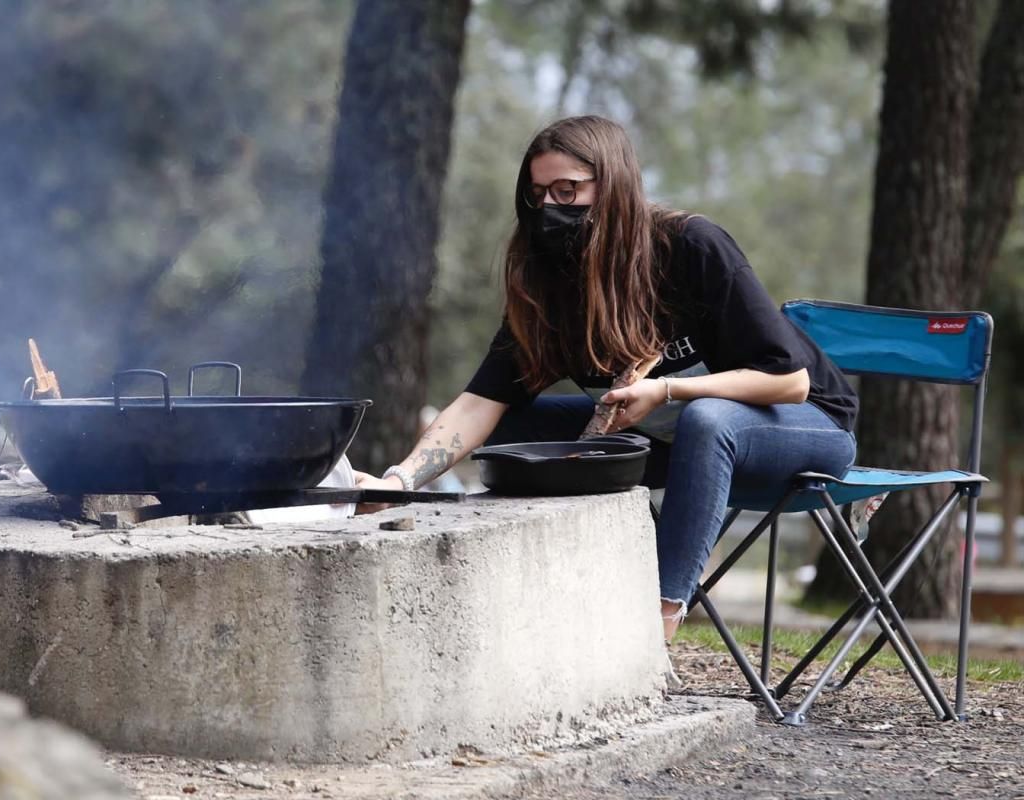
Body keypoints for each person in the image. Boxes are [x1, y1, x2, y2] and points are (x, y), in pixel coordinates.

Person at [355, 115, 857, 644]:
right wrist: (400, 482)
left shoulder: (691, 247)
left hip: (804, 431)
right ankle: (572, 587)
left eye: (568, 190)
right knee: (513, 433)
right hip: (670, 442)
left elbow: (789, 382)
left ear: (611, 184)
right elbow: (483, 400)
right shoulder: (548, 285)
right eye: (538, 194)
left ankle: (654, 625)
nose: (550, 207)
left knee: (708, 420)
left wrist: (667, 389)